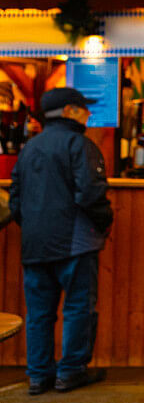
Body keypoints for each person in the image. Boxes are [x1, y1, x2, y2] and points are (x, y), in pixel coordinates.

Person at [9, 88, 112, 395]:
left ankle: (39, 376)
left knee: (39, 313)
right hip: (75, 243)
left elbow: (14, 199)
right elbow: (91, 194)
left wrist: (32, 227)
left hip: (35, 244)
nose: (89, 114)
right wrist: (105, 224)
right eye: (83, 109)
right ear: (69, 111)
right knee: (78, 307)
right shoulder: (80, 145)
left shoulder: (29, 148)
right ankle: (70, 372)